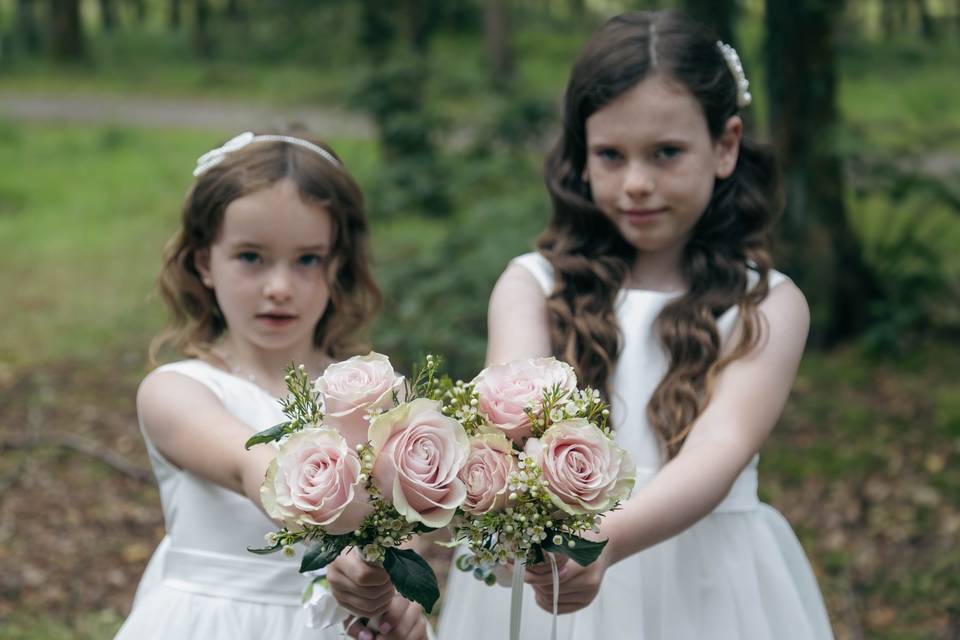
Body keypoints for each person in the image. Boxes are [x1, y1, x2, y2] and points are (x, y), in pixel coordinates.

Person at [437, 11, 834, 639]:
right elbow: (508, 416)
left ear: (725, 146)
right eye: (611, 156)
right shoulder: (532, 287)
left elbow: (720, 447)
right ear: (582, 157)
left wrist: (607, 539)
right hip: (554, 575)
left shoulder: (768, 304)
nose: (637, 184)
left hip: (707, 582)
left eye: (667, 153)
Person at [115, 130, 428, 640]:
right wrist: (346, 540)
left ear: (337, 266)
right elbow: (250, 467)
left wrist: (390, 595)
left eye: (307, 259)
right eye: (251, 257)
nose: (279, 287)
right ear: (204, 264)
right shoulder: (177, 391)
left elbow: (402, 535)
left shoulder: (377, 395)